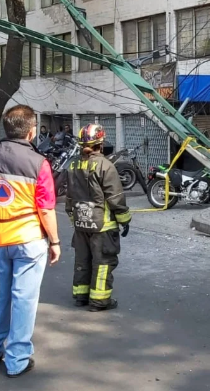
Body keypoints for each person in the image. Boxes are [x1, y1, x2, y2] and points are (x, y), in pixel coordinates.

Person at [0, 105, 60, 377]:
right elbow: (45, 208)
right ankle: (17, 359)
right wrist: (54, 241)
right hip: (28, 237)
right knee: (24, 299)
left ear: (5, 128)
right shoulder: (38, 163)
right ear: (31, 132)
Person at [66, 124, 131, 312]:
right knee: (103, 262)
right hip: (102, 226)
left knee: (82, 261)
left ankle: (81, 296)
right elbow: (115, 197)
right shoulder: (105, 165)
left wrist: (74, 218)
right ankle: (99, 301)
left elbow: (69, 195)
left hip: (80, 223)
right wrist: (124, 220)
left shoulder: (73, 164)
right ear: (100, 143)